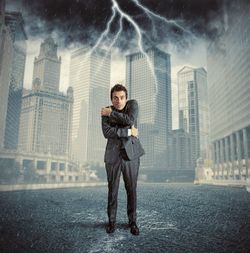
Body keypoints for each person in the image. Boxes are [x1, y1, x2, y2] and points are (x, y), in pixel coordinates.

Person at [101, 84, 144, 235]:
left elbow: (129, 119)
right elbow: (107, 132)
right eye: (115, 98)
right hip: (113, 156)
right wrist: (128, 131)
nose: (118, 101)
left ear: (126, 98)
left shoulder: (133, 105)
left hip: (131, 156)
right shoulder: (105, 110)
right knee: (112, 190)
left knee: (131, 190)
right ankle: (111, 222)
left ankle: (132, 222)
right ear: (111, 99)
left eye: (121, 97)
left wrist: (112, 115)